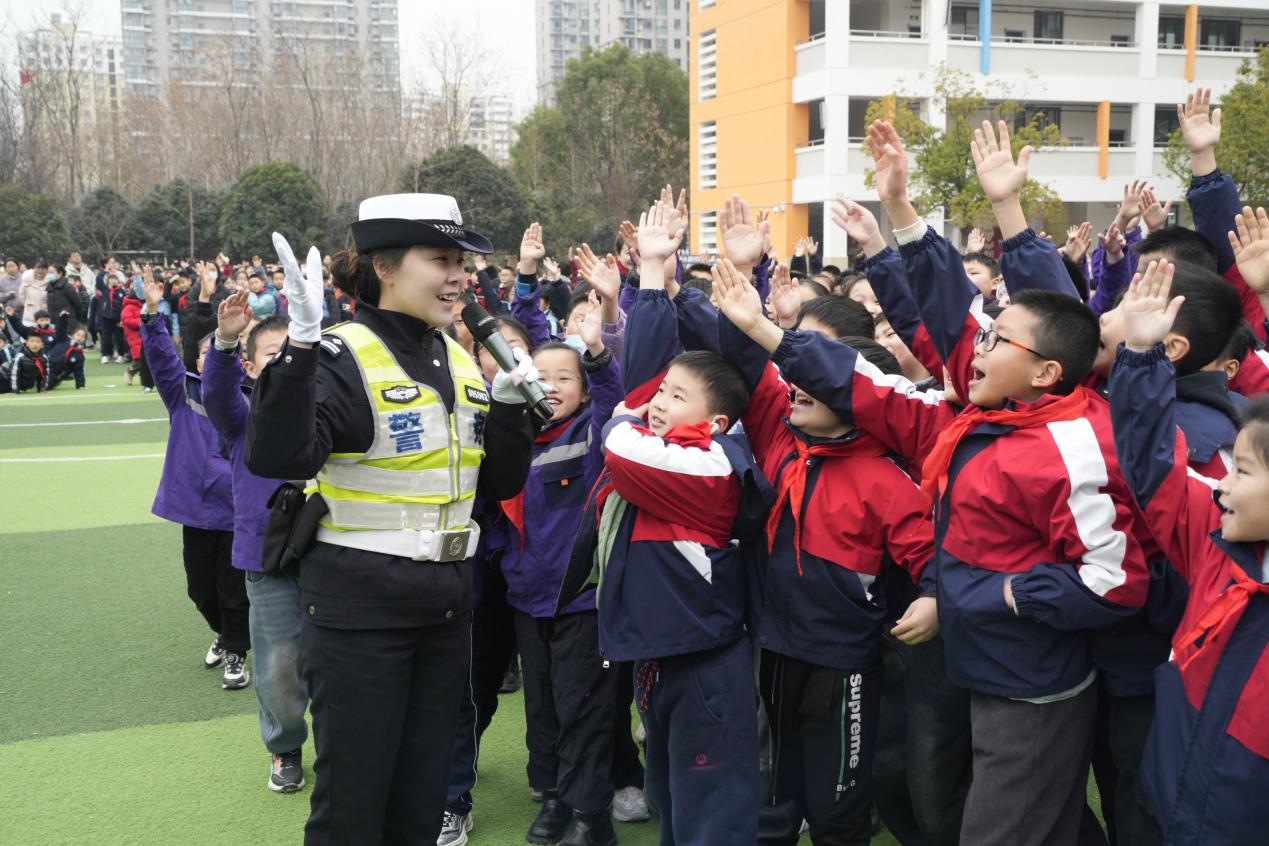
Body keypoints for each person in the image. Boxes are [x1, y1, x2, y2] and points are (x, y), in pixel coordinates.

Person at [245, 193, 535, 845]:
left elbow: (499, 483)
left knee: (421, 798)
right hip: (359, 613)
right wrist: (298, 351)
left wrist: (512, 409)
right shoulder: (339, 354)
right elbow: (279, 456)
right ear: (385, 267)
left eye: (463, 261)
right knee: (352, 805)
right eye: (442, 259)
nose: (460, 275)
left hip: (446, 609)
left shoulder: (460, 359)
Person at [711, 256, 937, 845]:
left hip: (845, 663)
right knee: (775, 793)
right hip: (776, 646)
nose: (799, 386)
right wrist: (735, 272)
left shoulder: (889, 479)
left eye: (820, 382)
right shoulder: (782, 437)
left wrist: (936, 597)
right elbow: (746, 360)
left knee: (839, 801)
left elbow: (933, 558)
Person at [580, 200, 772, 845]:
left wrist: (668, 282)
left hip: (703, 662)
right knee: (671, 797)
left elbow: (621, 431)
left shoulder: (711, 467)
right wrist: (654, 273)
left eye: (676, 398)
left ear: (715, 421)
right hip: (661, 656)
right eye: (661, 395)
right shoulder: (681, 440)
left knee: (709, 813)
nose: (657, 405)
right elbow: (643, 385)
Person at [1109, 258, 1269, 846]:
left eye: (1243, 470)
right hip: (1167, 796)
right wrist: (1141, 358)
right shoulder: (1217, 545)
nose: (1221, 480)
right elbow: (1152, 463)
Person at [200, 287, 309, 794]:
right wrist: (224, 341)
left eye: (295, 352)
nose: (286, 363)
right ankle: (285, 747)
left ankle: (347, 748)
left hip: (336, 554)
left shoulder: (332, 411)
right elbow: (216, 395)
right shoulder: (242, 419)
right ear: (250, 368)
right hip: (268, 562)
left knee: (342, 663)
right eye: (272, 355)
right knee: (279, 665)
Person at [140, 286, 247, 688]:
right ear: (200, 362)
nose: (209, 360)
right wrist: (153, 310)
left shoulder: (249, 399)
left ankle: (237, 651)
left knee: (234, 592)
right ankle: (225, 633)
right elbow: (162, 359)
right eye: (203, 354)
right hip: (196, 512)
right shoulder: (183, 394)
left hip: (239, 514)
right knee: (200, 590)